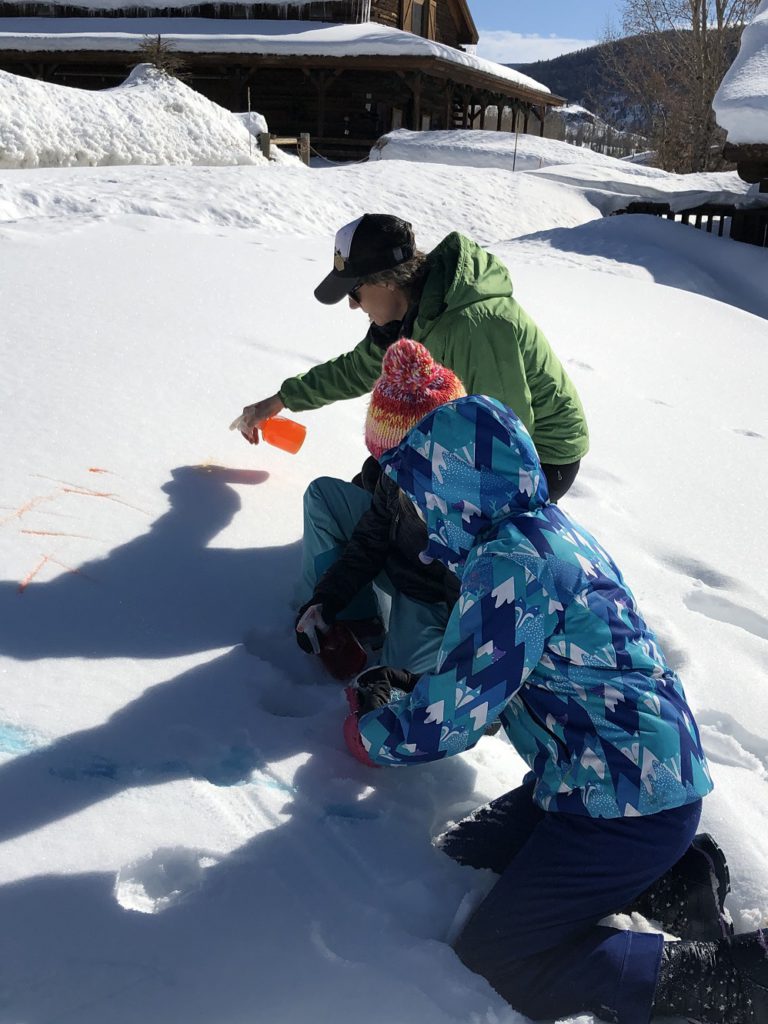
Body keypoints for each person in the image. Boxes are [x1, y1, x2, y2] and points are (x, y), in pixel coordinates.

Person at [341, 394, 768, 1024]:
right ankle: (677, 875)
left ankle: (729, 979)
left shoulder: (512, 566)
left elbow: (452, 720)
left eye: (422, 492)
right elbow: (509, 672)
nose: (418, 512)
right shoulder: (539, 534)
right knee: (464, 857)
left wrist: (370, 734)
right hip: (602, 783)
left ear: (457, 489)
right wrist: (414, 686)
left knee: (499, 963)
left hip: (624, 807)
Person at [237, 213, 588, 502]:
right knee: (381, 485)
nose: (352, 304)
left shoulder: (472, 323)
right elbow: (356, 369)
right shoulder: (410, 317)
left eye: (355, 292)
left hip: (544, 455)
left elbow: (508, 437)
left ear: (387, 280)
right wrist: (281, 399)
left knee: (405, 512)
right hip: (482, 435)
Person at [294, 339, 465, 677]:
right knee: (323, 495)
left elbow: (470, 605)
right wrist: (327, 598)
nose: (388, 469)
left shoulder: (465, 506)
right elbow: (370, 537)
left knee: (405, 681)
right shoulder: (399, 471)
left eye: (393, 460)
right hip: (398, 559)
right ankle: (358, 618)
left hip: (428, 595)